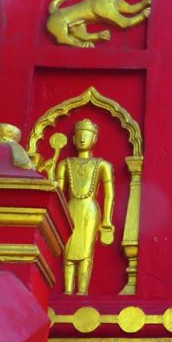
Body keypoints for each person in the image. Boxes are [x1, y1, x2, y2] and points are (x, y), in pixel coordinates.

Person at [54, 118, 115, 295]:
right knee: (68, 251)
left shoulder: (102, 165)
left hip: (90, 210)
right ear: (73, 140)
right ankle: (67, 290)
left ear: (94, 139)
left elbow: (109, 194)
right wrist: (50, 172)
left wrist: (106, 220)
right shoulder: (64, 164)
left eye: (86, 135)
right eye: (79, 135)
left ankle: (81, 291)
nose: (82, 139)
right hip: (70, 208)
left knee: (86, 252)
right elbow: (58, 191)